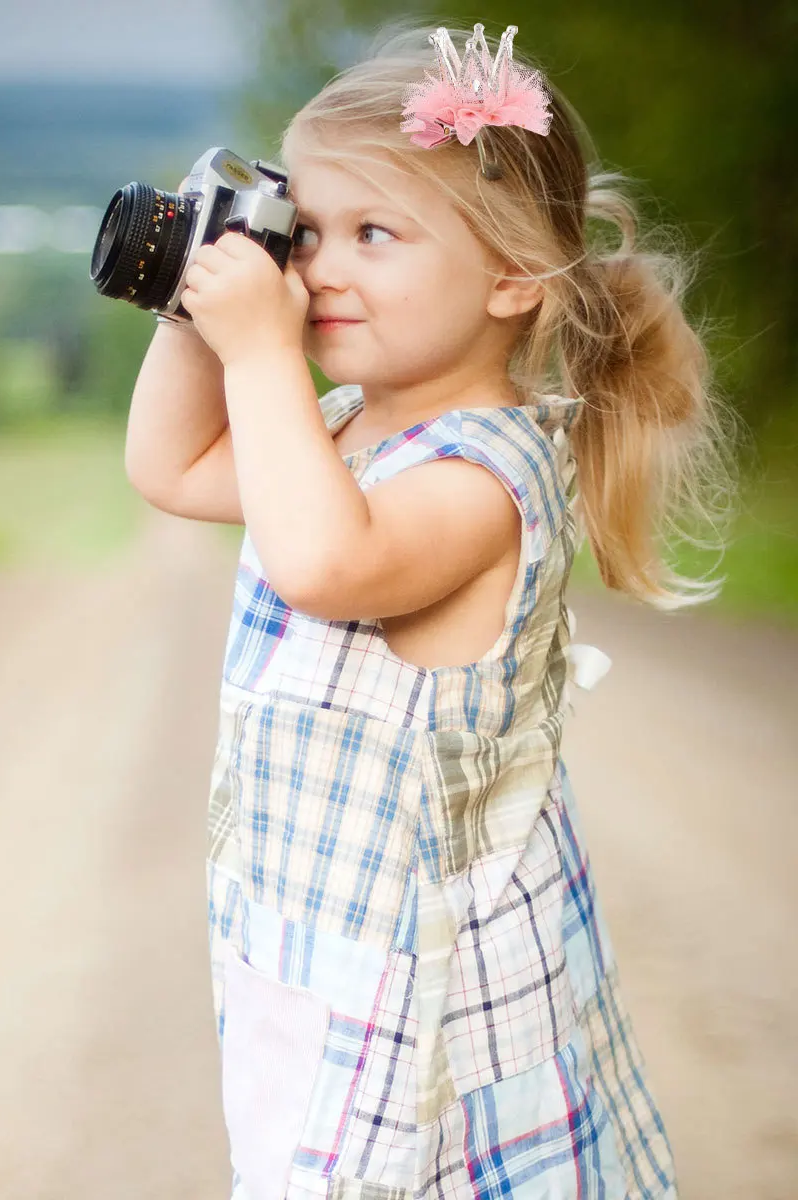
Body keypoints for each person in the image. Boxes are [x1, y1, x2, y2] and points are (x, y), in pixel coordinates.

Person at [124, 18, 739, 1199]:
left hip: (435, 1003)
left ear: (512, 279)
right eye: (306, 232)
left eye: (375, 234)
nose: (318, 270)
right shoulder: (339, 427)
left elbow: (324, 562)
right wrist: (197, 311)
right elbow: (174, 468)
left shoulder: (487, 477)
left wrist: (263, 355)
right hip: (320, 948)